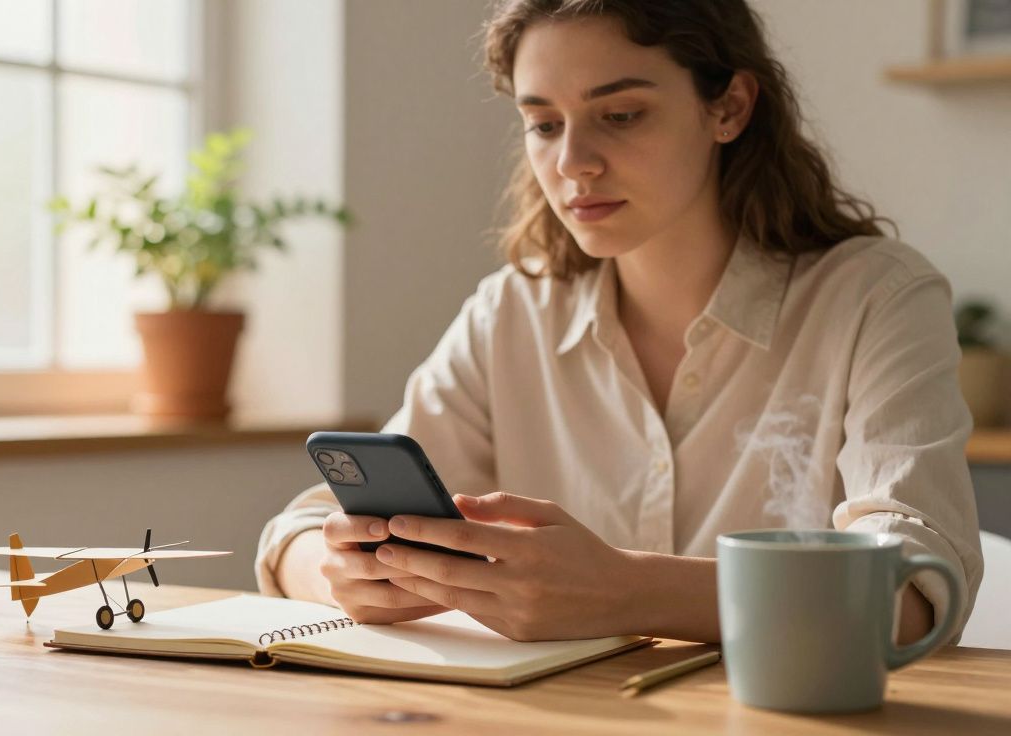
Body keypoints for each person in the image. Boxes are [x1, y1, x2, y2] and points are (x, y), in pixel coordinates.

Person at [255, 0, 983, 644]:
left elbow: (917, 592)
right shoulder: (512, 312)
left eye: (621, 115)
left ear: (728, 107)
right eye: (543, 123)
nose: (573, 162)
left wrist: (623, 592)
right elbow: (297, 531)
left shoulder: (875, 298)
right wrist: (342, 576)